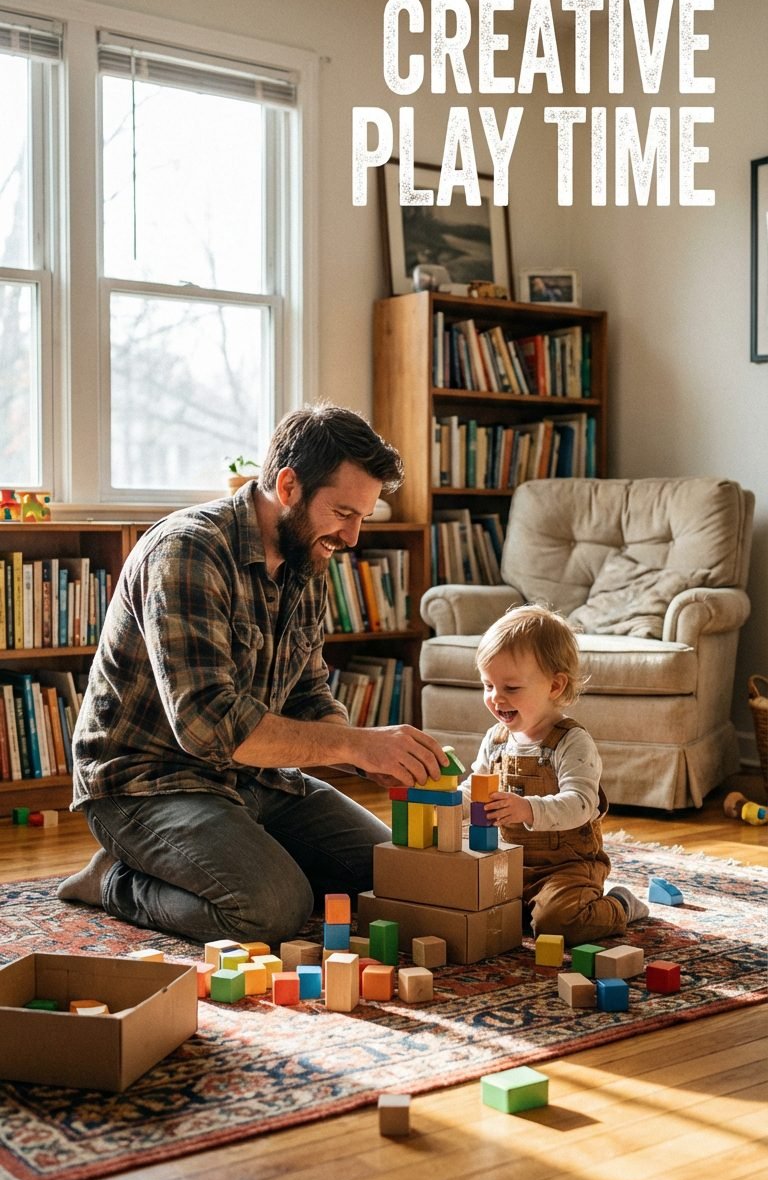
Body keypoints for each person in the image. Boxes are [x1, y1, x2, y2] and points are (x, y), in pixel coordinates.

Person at [58, 402, 447, 945]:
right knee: (272, 910)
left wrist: (361, 755)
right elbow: (207, 725)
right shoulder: (188, 551)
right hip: (148, 783)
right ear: (288, 486)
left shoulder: (305, 557)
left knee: (391, 877)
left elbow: (309, 692)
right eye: (343, 513)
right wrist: (356, 746)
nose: (354, 537)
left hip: (255, 777)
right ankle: (115, 880)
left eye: (364, 517)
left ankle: (237, 852)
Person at [463, 604, 648, 945]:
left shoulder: (572, 742)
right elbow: (475, 786)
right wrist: (445, 801)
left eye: (511, 688)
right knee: (463, 904)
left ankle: (620, 904)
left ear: (554, 685)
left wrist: (528, 809)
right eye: (488, 685)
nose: (495, 698)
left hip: (567, 869)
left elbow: (580, 804)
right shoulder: (496, 738)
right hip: (507, 864)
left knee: (557, 923)